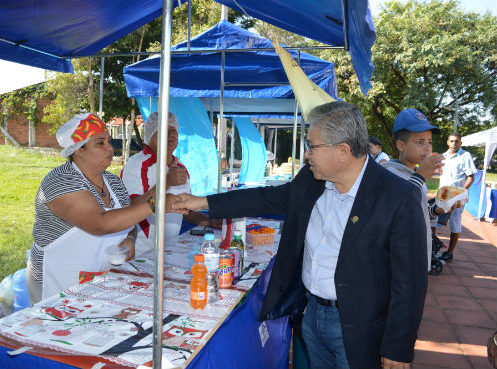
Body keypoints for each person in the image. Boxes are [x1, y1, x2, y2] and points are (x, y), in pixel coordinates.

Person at [173, 101, 427, 369]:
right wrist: (200, 202)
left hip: (361, 328)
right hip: (312, 314)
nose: (307, 155)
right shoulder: (312, 178)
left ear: (343, 151)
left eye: (312, 146)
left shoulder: (397, 196)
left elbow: (410, 281)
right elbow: (266, 198)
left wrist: (398, 347)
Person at [27, 113, 183, 303]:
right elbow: (100, 224)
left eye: (108, 141)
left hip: (100, 277)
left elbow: (128, 220)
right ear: (78, 150)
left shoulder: (113, 182)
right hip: (57, 280)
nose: (110, 147)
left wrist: (131, 239)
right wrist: (156, 204)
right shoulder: (61, 180)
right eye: (100, 143)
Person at [121, 111, 219, 256]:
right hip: (141, 252)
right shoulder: (137, 164)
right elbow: (129, 208)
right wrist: (166, 183)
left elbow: (186, 211)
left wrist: (210, 221)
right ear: (150, 136)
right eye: (163, 131)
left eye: (173, 131)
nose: (170, 136)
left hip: (170, 250)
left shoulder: (181, 168)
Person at [381, 108, 450, 271]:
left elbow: (417, 210)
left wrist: (436, 210)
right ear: (400, 145)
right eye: (420, 142)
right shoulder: (389, 174)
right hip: (398, 263)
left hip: (416, 256)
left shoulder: (416, 174)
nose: (427, 148)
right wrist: (421, 176)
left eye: (430, 141)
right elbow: (398, 211)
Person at [436, 132, 477, 262]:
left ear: (461, 143)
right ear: (448, 142)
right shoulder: (445, 156)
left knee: (455, 223)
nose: (454, 143)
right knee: (435, 220)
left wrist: (461, 193)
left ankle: (450, 252)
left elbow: (471, 176)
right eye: (452, 141)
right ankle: (432, 247)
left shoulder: (465, 156)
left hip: (457, 197)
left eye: (457, 141)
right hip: (443, 195)